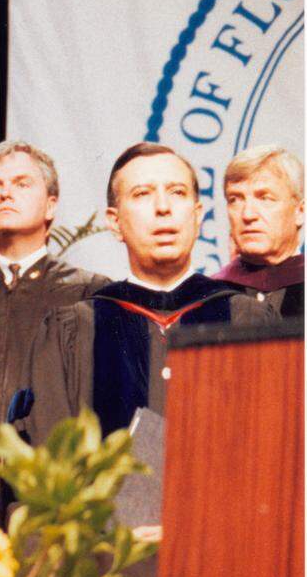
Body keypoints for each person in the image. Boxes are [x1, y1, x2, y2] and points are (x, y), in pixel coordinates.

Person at [15, 142, 277, 442]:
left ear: (198, 215)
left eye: (177, 192)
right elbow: (50, 459)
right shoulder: (74, 329)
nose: (163, 208)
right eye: (142, 194)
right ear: (115, 222)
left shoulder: (247, 320)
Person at [0, 141, 108, 524]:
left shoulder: (90, 292)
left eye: (21, 183)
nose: (5, 193)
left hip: (48, 492)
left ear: (50, 205)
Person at [213, 145, 304, 318]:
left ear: (299, 212)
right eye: (235, 199)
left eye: (265, 198)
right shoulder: (206, 298)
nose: (247, 215)